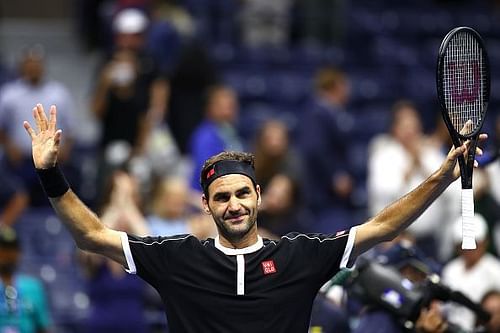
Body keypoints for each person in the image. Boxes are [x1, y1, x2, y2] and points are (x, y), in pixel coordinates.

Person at [23, 104, 486, 332]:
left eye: (243, 193)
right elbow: (90, 235)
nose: (235, 204)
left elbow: (384, 226)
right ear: (205, 206)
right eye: (222, 197)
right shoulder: (176, 258)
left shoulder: (301, 255)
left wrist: (443, 176)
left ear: (259, 196)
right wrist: (49, 172)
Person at [0, 46, 75, 204]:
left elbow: (70, 128)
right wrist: (9, 147)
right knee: (19, 199)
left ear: (43, 66)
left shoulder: (58, 93)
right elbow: (2, 127)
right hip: (20, 161)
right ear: (22, 66)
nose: (33, 68)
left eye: (37, 64)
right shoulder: (9, 94)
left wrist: (64, 151)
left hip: (53, 160)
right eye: (29, 63)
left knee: (55, 201)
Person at [441, 213, 500, 331]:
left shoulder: (495, 270)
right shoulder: (450, 270)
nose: (469, 249)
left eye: (474, 243)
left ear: (485, 242)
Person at [0, 226, 51, 332]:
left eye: (12, 250)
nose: (8, 255)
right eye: (3, 250)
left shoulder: (33, 287)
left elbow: (43, 327)